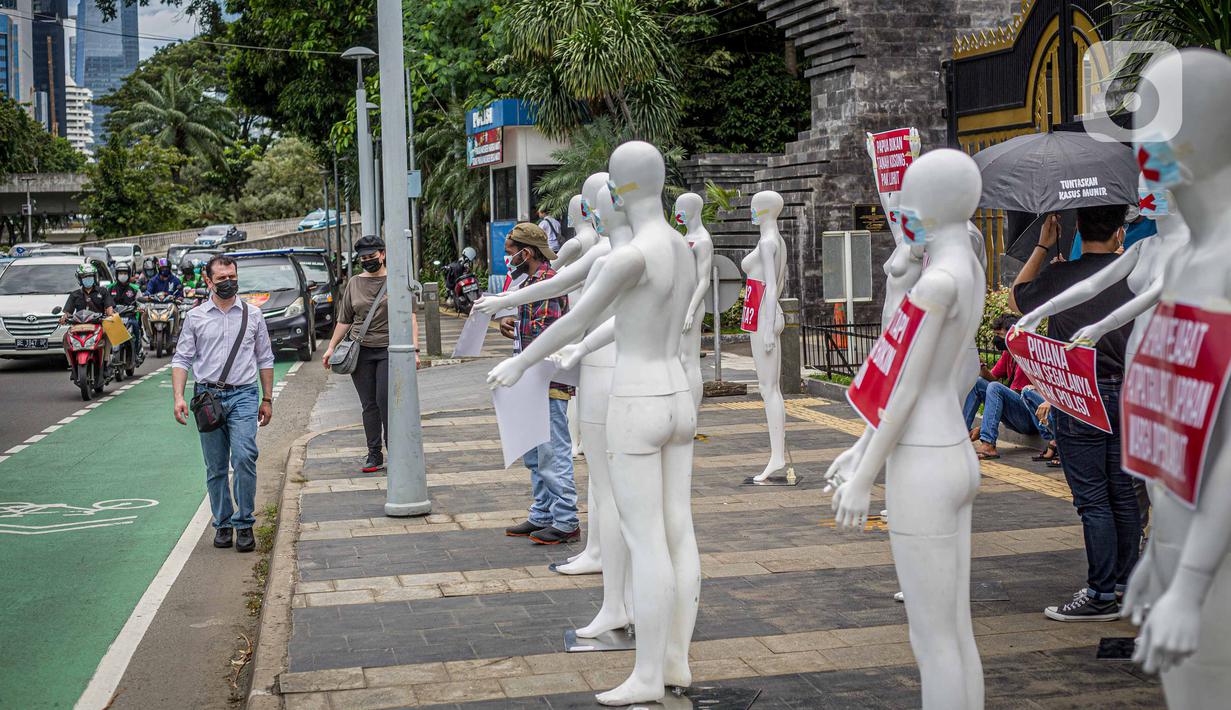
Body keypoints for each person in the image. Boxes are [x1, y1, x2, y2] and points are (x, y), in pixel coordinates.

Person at [1010, 204, 1140, 621]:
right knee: (1122, 493)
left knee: (1093, 500)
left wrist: (1043, 246)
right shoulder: (1133, 274)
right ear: (1120, 232)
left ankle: (1100, 593)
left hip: (1078, 397)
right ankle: (1126, 586)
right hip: (1124, 392)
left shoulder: (1060, 276)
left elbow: (1017, 300)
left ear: (1078, 227)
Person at [171, 255, 275, 552]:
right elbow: (182, 359)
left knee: (244, 457)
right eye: (221, 278)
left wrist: (267, 399)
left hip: (244, 395)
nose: (228, 282)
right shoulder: (196, 317)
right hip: (207, 398)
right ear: (208, 281)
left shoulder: (253, 315)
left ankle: (244, 523)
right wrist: (178, 397)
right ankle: (223, 522)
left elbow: (265, 358)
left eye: (232, 277)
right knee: (216, 466)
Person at [498, 222, 580, 545]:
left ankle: (566, 520)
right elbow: (533, 328)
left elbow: (547, 333)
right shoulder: (531, 282)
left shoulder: (547, 282)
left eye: (511, 254)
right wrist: (515, 324)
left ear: (527, 253)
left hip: (548, 379)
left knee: (552, 452)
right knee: (534, 451)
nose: (508, 260)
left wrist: (520, 324)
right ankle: (543, 513)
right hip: (531, 379)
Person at [322, 235, 418, 474]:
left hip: (388, 350)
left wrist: (415, 350)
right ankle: (374, 453)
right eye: (363, 258)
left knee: (385, 401)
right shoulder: (354, 283)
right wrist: (331, 347)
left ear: (382, 254)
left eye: (372, 256)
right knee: (369, 404)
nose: (367, 261)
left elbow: (411, 317)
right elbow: (345, 319)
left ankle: (395, 450)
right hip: (360, 351)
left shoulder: (397, 280)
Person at [964, 313, 1056, 461]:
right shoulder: (1009, 353)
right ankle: (961, 436)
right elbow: (993, 377)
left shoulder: (1031, 353)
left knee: (995, 387)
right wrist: (981, 367)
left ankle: (988, 443)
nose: (997, 339)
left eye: (1000, 335)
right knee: (978, 382)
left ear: (1013, 333)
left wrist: (983, 428)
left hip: (1030, 414)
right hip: (1015, 411)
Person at [109, 263, 144, 360]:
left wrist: (141, 307)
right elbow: (105, 302)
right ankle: (106, 357)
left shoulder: (135, 289)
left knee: (136, 326)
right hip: (114, 318)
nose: (123, 275)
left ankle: (137, 351)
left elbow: (140, 301)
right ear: (116, 274)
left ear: (129, 274)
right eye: (120, 273)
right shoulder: (110, 288)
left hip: (130, 317)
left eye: (125, 273)